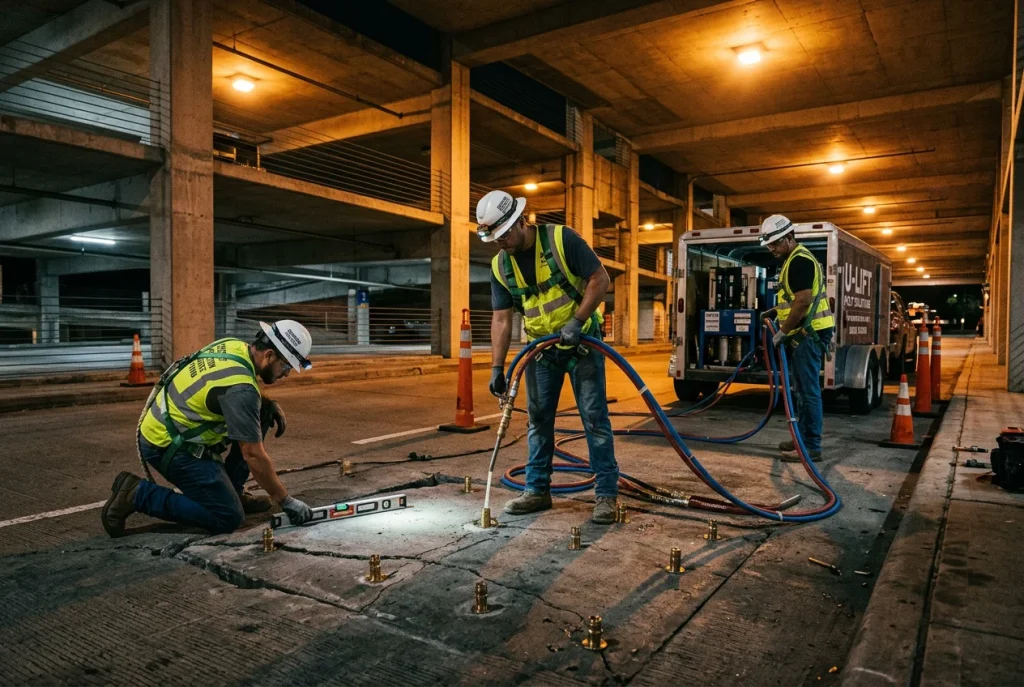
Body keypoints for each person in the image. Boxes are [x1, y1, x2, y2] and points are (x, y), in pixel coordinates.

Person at [477, 189, 620, 524]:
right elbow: (501, 317)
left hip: (582, 344)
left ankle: (606, 495)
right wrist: (497, 367)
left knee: (594, 417)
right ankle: (537, 490)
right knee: (538, 420)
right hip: (541, 350)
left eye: (505, 234)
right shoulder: (500, 264)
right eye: (496, 238)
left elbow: (600, 280)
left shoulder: (561, 240)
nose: (503, 243)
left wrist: (577, 320)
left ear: (521, 221)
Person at [101, 320, 316, 537]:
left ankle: (233, 490)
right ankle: (137, 494)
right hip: (169, 445)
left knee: (263, 410)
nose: (286, 373)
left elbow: (223, 390)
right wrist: (285, 500)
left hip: (169, 427)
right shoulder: (242, 390)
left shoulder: (233, 346)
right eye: (286, 366)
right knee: (228, 517)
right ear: (269, 355)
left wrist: (265, 404)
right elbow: (253, 455)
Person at [760, 214, 835, 461]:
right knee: (802, 390)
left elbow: (803, 301)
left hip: (808, 334)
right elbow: (795, 298)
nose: (771, 249)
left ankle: (811, 447)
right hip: (806, 334)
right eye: (769, 245)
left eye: (774, 244)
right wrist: (774, 312)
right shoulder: (793, 259)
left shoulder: (799, 261)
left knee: (808, 391)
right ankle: (801, 440)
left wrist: (781, 333)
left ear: (789, 238)